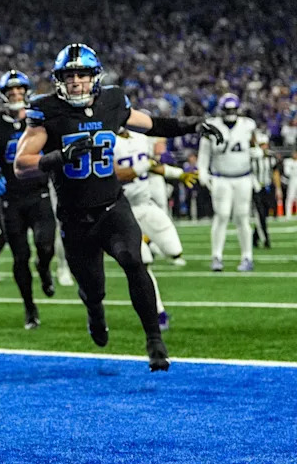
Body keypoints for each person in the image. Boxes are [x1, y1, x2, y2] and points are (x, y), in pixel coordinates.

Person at [14, 43, 222, 371]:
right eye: (69, 76)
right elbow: (21, 165)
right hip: (75, 218)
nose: (76, 82)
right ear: (59, 80)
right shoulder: (47, 111)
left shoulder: (112, 101)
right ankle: (95, 313)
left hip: (112, 206)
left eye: (82, 74)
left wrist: (193, 124)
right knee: (93, 288)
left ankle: (154, 340)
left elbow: (151, 124)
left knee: (134, 261)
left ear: (95, 77)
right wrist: (61, 156)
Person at [0, 70, 57, 329]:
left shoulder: (39, 116)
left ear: (27, 92)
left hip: (39, 193)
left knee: (46, 246)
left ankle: (44, 269)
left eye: (20, 91)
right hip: (10, 198)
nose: (16, 95)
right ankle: (30, 308)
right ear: (3, 95)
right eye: (11, 92)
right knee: (20, 257)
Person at [113, 126, 199, 331]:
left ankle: (147, 241)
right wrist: (143, 165)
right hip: (123, 211)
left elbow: (153, 166)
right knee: (143, 265)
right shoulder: (107, 141)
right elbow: (118, 174)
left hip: (146, 205)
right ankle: (158, 312)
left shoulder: (141, 139)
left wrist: (179, 174)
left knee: (174, 250)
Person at [197, 94, 258, 272]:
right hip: (221, 177)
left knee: (242, 216)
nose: (230, 113)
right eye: (228, 110)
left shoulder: (248, 125)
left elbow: (257, 145)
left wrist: (257, 153)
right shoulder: (212, 126)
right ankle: (217, 256)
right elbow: (204, 153)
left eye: (233, 110)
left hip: (243, 177)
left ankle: (247, 256)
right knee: (221, 215)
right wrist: (202, 171)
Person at [250, 132, 280, 249]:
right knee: (260, 214)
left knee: (265, 214)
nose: (264, 147)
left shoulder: (271, 158)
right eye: (262, 145)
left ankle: (255, 238)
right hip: (256, 188)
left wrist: (277, 189)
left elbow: (275, 173)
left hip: (267, 188)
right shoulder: (252, 156)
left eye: (265, 145)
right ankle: (266, 239)